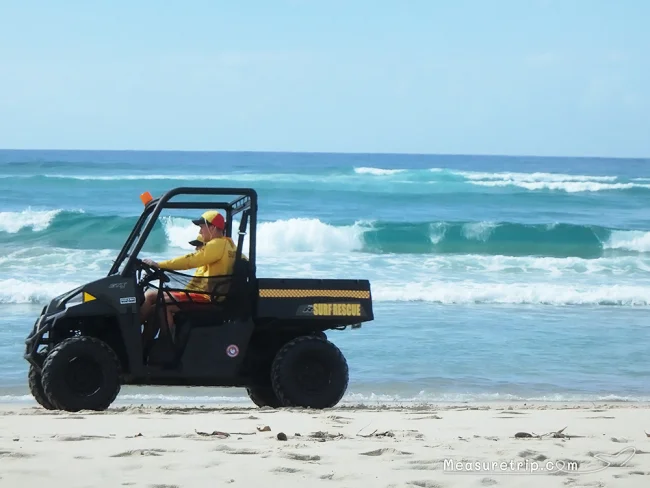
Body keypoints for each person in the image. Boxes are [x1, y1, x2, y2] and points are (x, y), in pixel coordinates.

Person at [139, 210, 237, 341]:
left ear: (212, 227)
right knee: (152, 298)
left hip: (207, 297)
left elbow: (190, 260)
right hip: (211, 295)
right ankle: (144, 343)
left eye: (202, 227)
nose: (200, 232)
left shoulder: (217, 244)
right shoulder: (230, 245)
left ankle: (161, 344)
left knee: (159, 304)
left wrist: (160, 264)